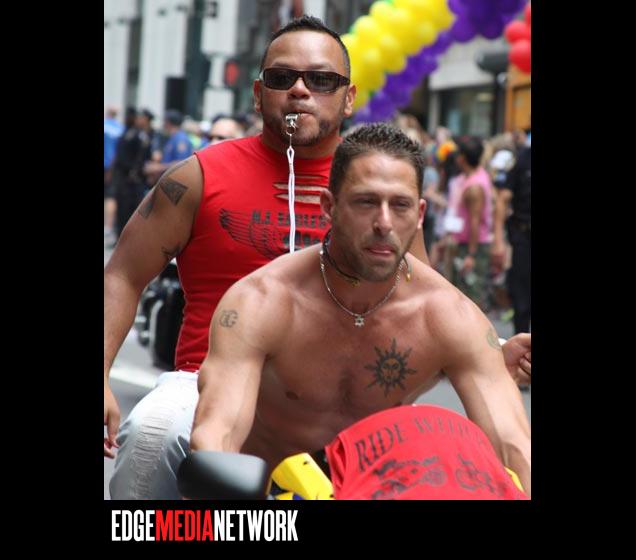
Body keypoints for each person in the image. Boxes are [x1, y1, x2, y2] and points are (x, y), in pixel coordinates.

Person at [104, 16, 529, 499]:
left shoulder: (380, 183)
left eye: (322, 80)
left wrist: (488, 351)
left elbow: (419, 307)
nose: (300, 91)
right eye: (283, 78)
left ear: (348, 97)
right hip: (212, 384)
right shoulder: (198, 178)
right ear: (259, 94)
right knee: (153, 434)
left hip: (357, 396)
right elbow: (122, 275)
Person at [189, 123, 531, 497]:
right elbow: (216, 433)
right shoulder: (262, 301)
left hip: (378, 492)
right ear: (329, 206)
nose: (384, 223)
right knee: (153, 430)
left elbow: (514, 446)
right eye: (366, 202)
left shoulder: (448, 316)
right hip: (266, 500)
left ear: (419, 213)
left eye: (399, 205)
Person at [492, 144, 531, 338]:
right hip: (524, 239)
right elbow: (502, 199)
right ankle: (522, 349)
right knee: (521, 300)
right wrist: (498, 240)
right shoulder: (522, 159)